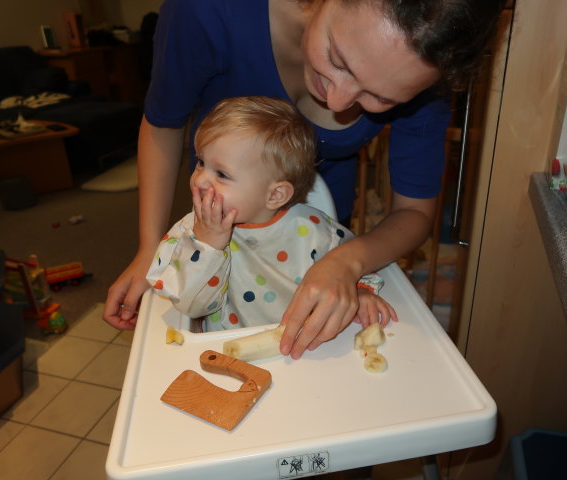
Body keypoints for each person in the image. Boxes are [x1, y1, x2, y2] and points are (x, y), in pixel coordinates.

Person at [103, 0, 504, 359]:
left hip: (315, 239)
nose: (339, 102)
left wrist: (345, 263)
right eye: (338, 59)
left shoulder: (425, 71)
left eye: (381, 99)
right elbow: (163, 123)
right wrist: (147, 248)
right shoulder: (208, 9)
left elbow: (414, 212)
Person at [146, 96, 396, 332]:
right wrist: (206, 244)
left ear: (275, 195)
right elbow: (191, 306)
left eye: (221, 174)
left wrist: (360, 292)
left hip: (304, 343)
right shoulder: (190, 231)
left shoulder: (312, 230)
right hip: (226, 348)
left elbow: (355, 265)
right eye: (201, 162)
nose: (199, 179)